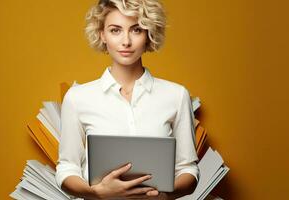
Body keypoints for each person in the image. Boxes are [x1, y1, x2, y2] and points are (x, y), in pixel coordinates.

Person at [55, 0, 199, 199]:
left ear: (149, 34)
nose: (126, 41)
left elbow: (188, 169)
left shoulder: (176, 95)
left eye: (136, 30)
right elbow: (67, 168)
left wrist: (163, 196)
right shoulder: (77, 98)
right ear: (102, 34)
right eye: (115, 30)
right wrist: (97, 193)